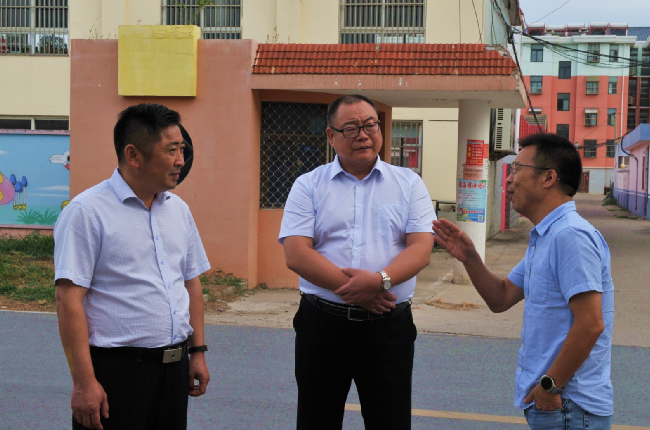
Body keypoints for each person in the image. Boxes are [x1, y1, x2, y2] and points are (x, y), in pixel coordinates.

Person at [433, 133, 614, 429]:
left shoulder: (570, 236)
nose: (508, 179)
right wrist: (470, 258)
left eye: (517, 169)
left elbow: (591, 323)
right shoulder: (546, 236)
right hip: (555, 404)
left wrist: (550, 386)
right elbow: (501, 297)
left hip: (569, 405)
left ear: (548, 178)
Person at [280, 94, 436, 430]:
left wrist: (379, 281)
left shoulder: (409, 184)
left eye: (369, 125)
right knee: (317, 420)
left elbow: (421, 248)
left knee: (390, 421)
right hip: (323, 326)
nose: (363, 135)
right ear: (331, 135)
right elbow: (296, 253)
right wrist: (360, 291)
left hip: (388, 328)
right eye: (351, 128)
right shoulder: (308, 185)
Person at [54, 103, 211, 430]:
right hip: (118, 373)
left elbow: (190, 283)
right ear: (133, 155)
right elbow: (68, 300)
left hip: (174, 371)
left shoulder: (179, 210)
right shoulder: (87, 212)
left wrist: (197, 351)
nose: (181, 160)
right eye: (171, 150)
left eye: (182, 149)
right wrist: (84, 382)